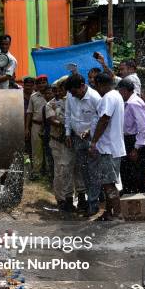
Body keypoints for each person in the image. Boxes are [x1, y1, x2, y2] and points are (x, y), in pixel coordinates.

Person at [88, 72, 126, 221]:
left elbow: (104, 119)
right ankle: (109, 213)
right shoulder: (116, 95)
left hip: (107, 148)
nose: (96, 89)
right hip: (111, 147)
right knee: (106, 183)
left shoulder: (109, 97)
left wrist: (93, 142)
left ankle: (117, 214)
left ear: (100, 85)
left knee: (109, 184)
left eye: (96, 86)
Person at [64, 73, 102, 215]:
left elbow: (100, 119)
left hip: (92, 139)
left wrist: (90, 132)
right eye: (71, 93)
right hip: (77, 138)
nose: (73, 96)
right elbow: (68, 114)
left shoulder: (95, 98)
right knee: (84, 172)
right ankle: (91, 201)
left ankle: (94, 205)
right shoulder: (70, 95)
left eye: (74, 92)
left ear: (82, 86)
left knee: (93, 172)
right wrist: (68, 133)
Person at [47, 78, 84, 212]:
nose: (61, 91)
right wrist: (68, 124)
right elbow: (52, 120)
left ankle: (80, 198)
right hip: (58, 142)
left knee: (77, 169)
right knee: (62, 171)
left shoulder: (73, 101)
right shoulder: (51, 104)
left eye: (64, 88)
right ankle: (62, 199)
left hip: (73, 141)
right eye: (59, 88)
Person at [118, 79, 145, 194]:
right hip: (130, 138)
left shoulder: (133, 103)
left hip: (135, 139)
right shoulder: (129, 102)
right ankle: (129, 190)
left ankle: (137, 194)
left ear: (124, 91)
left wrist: (136, 148)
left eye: (120, 91)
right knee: (127, 167)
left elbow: (143, 126)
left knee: (135, 168)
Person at [25, 74, 49, 179]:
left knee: (49, 148)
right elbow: (29, 112)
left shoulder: (51, 94)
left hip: (49, 126)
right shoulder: (33, 96)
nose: (42, 85)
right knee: (36, 149)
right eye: (39, 83)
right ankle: (36, 172)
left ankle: (49, 172)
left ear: (47, 83)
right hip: (36, 125)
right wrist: (26, 128)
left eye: (44, 82)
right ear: (37, 85)